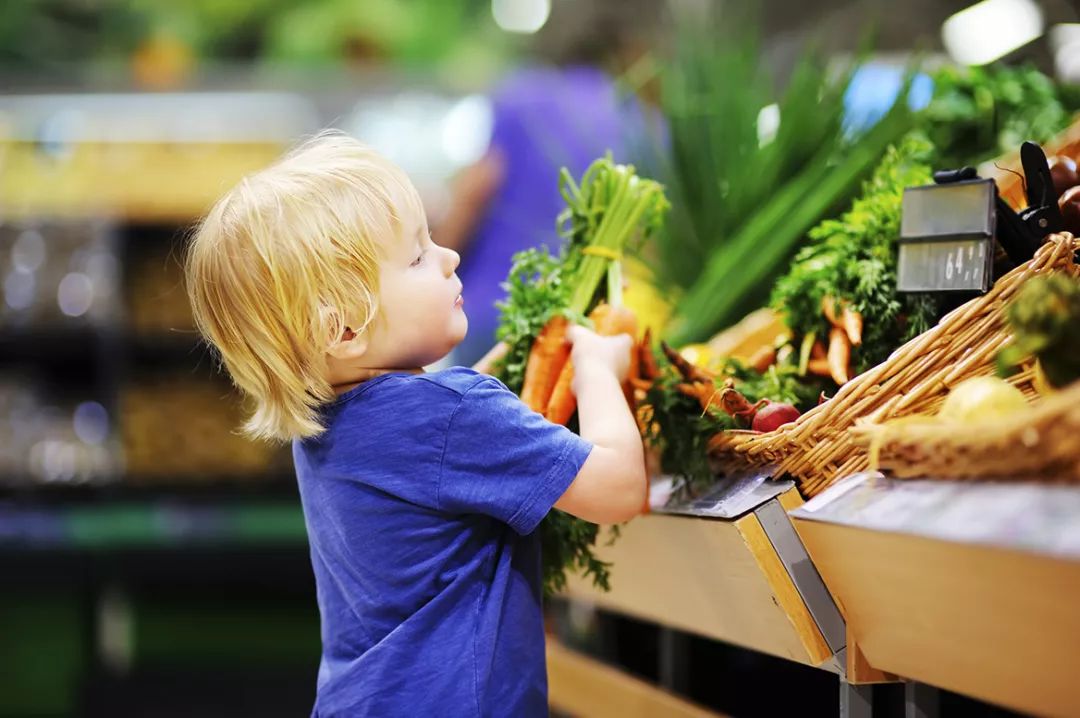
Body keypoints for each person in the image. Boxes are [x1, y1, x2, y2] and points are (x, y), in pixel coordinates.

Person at [184, 131, 646, 717]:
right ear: (345, 329)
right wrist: (597, 369)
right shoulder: (451, 414)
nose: (450, 257)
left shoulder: (327, 426)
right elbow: (618, 488)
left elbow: (431, 454)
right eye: (420, 255)